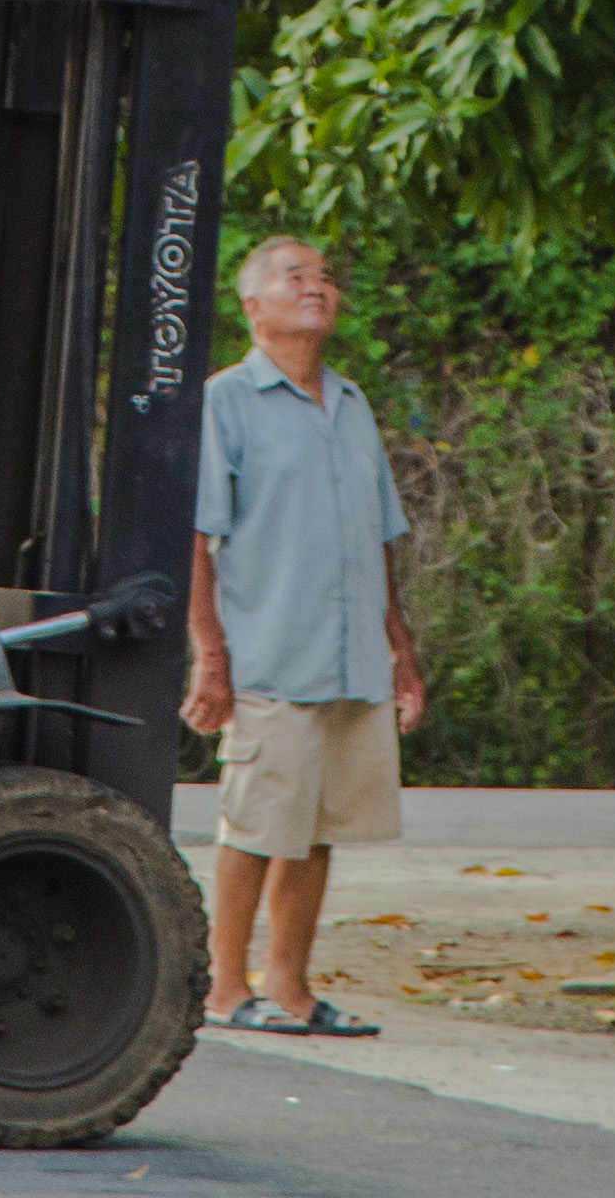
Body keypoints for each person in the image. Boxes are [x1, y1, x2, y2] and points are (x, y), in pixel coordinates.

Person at [185, 234, 422, 1037]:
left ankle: (288, 987)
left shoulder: (352, 405)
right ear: (253, 307)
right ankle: (222, 989)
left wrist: (401, 650)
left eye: (324, 277)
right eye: (295, 278)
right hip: (270, 655)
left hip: (352, 659)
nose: (316, 288)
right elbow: (196, 540)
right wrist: (210, 656)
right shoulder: (225, 402)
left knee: (318, 831)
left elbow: (378, 538)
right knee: (256, 826)